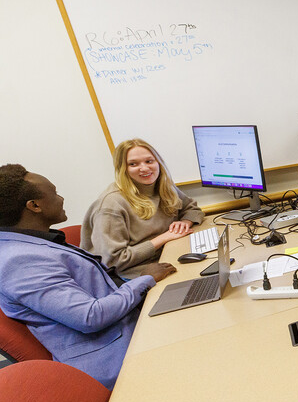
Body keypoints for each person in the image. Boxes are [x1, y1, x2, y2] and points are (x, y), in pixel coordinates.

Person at [0, 165, 176, 389]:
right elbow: (90, 317)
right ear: (34, 206)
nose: (61, 198)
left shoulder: (32, 243)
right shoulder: (18, 262)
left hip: (129, 326)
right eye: (54, 193)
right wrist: (144, 280)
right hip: (118, 361)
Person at [82, 138, 204, 280]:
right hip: (132, 275)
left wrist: (185, 222)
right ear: (123, 169)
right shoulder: (111, 204)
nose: (145, 168)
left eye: (149, 161)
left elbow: (192, 209)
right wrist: (165, 237)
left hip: (165, 255)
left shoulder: (163, 187)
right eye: (133, 164)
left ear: (158, 162)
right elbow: (113, 261)